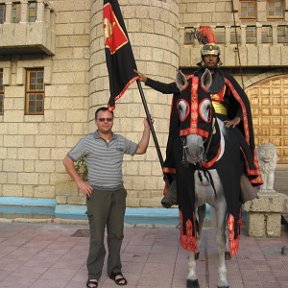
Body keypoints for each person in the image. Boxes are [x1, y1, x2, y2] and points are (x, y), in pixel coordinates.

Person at [135, 39, 263, 253]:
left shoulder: (226, 79)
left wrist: (239, 119)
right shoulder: (191, 78)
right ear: (202, 59)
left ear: (218, 59)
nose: (210, 59)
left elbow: (242, 102)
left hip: (221, 119)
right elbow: (169, 88)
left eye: (213, 56)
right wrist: (146, 79)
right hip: (197, 120)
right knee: (178, 143)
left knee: (238, 142)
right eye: (207, 56)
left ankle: (244, 179)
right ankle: (175, 185)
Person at [63, 107, 151, 288]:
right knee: (96, 237)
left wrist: (147, 128)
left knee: (117, 234)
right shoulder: (87, 141)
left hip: (118, 194)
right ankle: (94, 274)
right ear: (96, 121)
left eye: (108, 119)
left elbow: (141, 149)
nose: (105, 122)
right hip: (97, 195)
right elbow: (68, 160)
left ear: (112, 120)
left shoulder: (120, 141)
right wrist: (80, 182)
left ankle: (115, 270)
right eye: (101, 119)